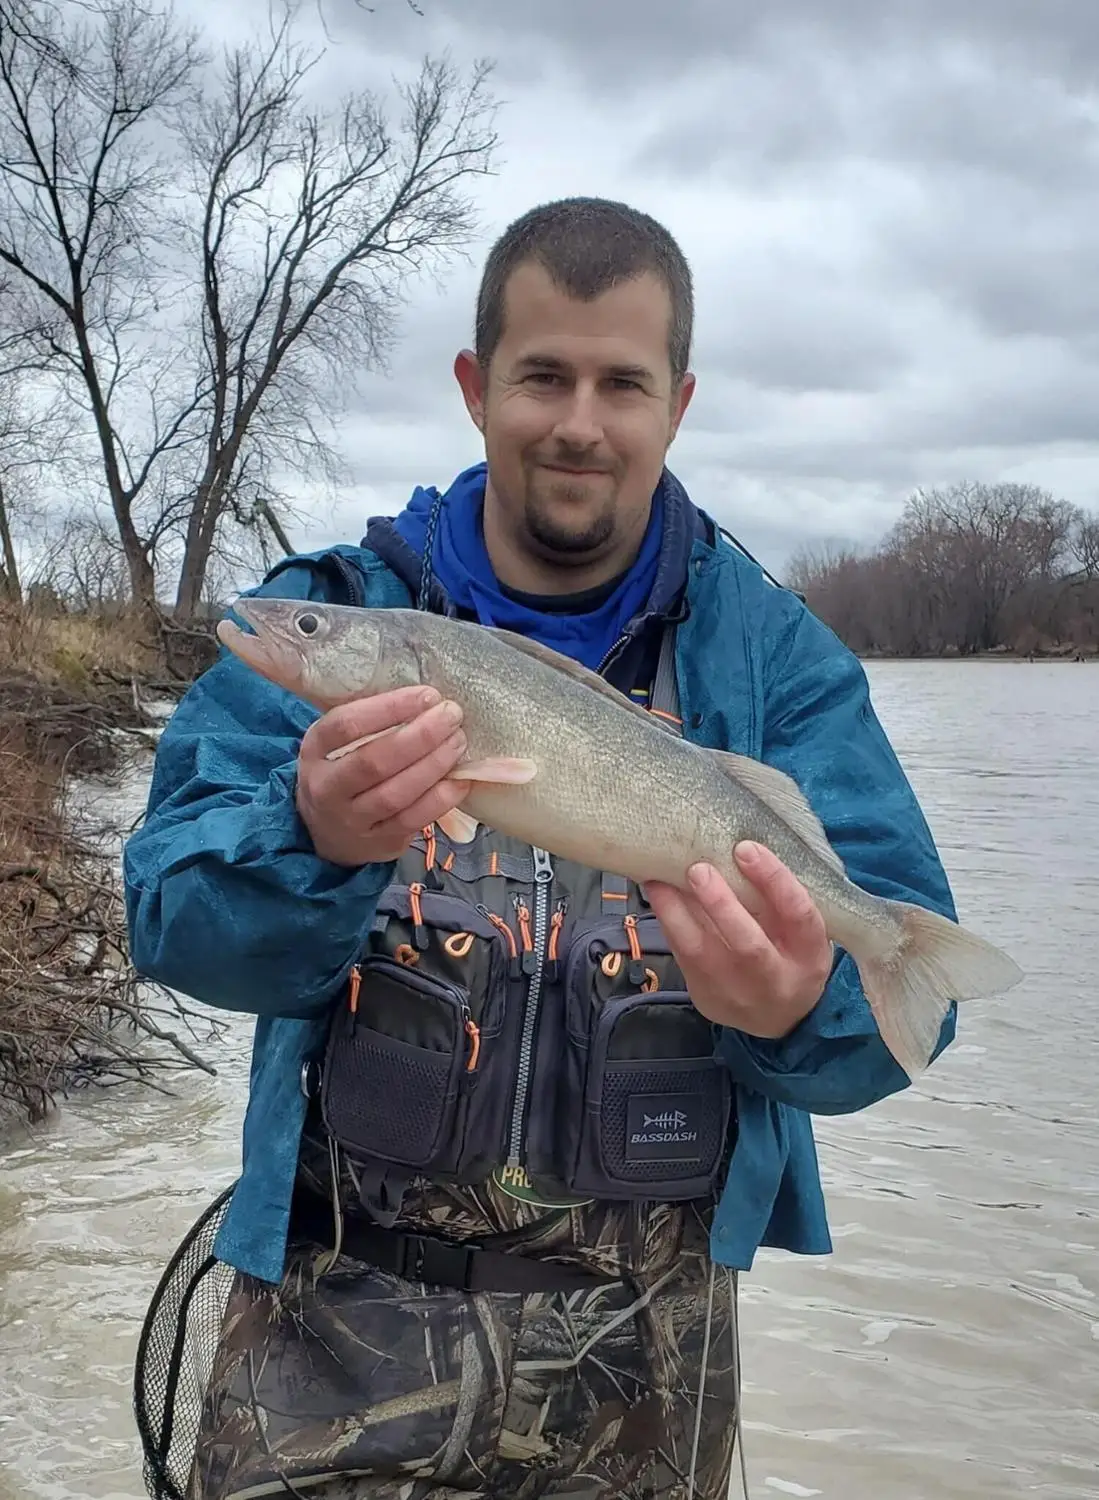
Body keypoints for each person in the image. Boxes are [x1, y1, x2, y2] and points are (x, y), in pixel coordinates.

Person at [123, 197, 959, 1500]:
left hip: (643, 1367)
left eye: (620, 381)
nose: (579, 419)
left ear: (676, 402)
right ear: (474, 387)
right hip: (324, 1327)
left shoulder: (776, 666)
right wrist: (313, 835)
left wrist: (802, 1004)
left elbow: (905, 1013)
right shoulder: (343, 615)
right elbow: (169, 916)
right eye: (541, 376)